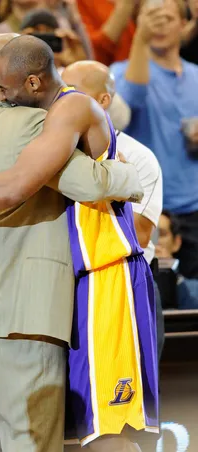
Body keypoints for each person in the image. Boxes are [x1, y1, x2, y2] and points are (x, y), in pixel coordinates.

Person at [0, 35, 158, 451]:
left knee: (102, 428)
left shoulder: (60, 111)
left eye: (2, 86)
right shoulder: (24, 117)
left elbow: (19, 185)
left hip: (104, 272)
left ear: (34, 82)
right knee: (54, 433)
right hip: (51, 290)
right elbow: (74, 179)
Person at [61, 59, 165, 361]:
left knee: (131, 396)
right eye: (61, 91)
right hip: (67, 285)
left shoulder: (138, 158)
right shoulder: (52, 150)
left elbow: (140, 235)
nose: (62, 100)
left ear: (103, 100)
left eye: (73, 91)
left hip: (126, 284)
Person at [111, 0, 198, 281]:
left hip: (194, 206)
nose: (158, 24)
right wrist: (140, 40)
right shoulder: (120, 72)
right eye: (150, 16)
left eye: (167, 17)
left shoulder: (196, 75)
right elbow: (130, 102)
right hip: (146, 207)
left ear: (185, 24)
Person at [156, 211, 198, 310]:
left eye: (161, 234)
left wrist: (167, 270)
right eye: (147, 233)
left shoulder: (194, 289)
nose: (154, 241)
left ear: (176, 242)